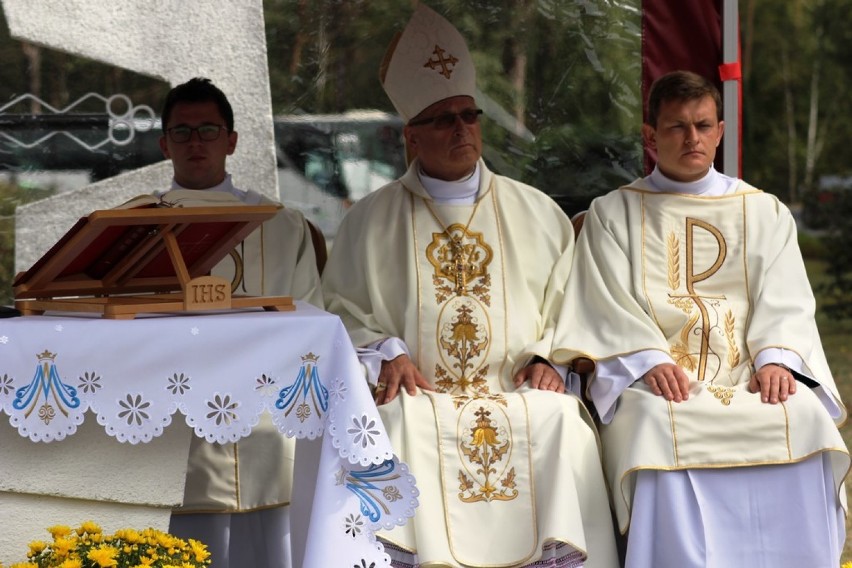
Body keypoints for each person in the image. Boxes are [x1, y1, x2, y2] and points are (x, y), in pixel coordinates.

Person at [321, 5, 619, 568]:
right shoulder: (369, 221)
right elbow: (338, 310)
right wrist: (390, 352)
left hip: (517, 389)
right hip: (423, 395)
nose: (461, 128)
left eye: (469, 114)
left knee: (558, 422)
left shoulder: (538, 212)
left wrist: (550, 359)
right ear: (412, 136)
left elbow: (575, 303)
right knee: (399, 424)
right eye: (443, 119)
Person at [552, 70, 850, 568]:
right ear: (650, 137)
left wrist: (777, 359)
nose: (692, 138)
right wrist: (646, 361)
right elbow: (603, 302)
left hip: (751, 373)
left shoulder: (764, 213)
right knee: (647, 422)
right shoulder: (614, 214)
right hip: (661, 381)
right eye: (676, 127)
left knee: (802, 415)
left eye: (703, 125)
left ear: (720, 131)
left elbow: (787, 300)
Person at [158, 77, 323, 568]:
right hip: (174, 396)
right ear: (163, 144)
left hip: (266, 396)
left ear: (231, 140)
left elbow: (310, 320)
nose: (196, 143)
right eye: (182, 132)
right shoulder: (135, 224)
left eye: (208, 130)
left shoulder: (280, 223)